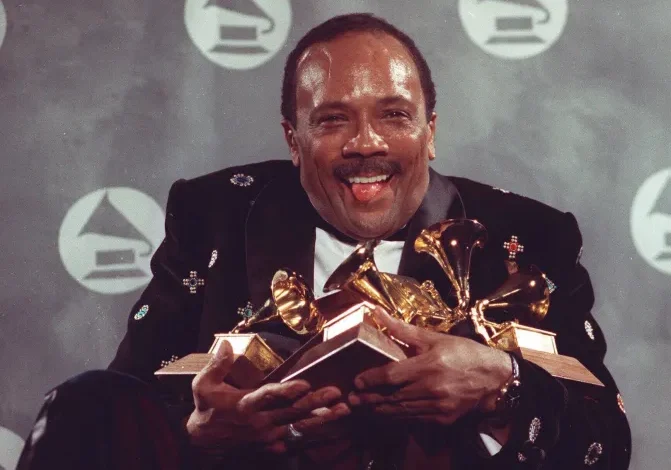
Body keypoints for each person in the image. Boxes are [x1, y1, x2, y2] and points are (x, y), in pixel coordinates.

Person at [17, 13, 631, 470]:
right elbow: (126, 412)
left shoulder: (525, 238)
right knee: (84, 403)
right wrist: (201, 432)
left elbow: (607, 441)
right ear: (293, 139)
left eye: (394, 114)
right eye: (333, 119)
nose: (367, 143)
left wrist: (502, 387)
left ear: (430, 131)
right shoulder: (216, 217)